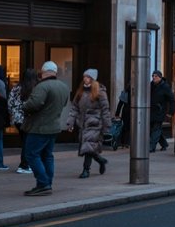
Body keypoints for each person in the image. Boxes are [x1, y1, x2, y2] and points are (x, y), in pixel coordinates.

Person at [21, 61, 71, 196]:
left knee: (31, 154)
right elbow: (64, 103)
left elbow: (33, 104)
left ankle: (43, 183)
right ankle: (47, 182)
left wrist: (24, 105)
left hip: (39, 127)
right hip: (54, 126)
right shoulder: (63, 87)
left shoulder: (42, 86)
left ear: (43, 72)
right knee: (47, 156)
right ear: (55, 72)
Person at [66, 69, 112, 179]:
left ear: (92, 79)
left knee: (87, 147)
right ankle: (101, 160)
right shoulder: (81, 91)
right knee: (89, 147)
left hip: (94, 123)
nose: (85, 79)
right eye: (84, 77)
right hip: (83, 123)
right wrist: (70, 122)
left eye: (87, 77)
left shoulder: (100, 92)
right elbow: (75, 108)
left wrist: (107, 126)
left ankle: (86, 170)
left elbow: (105, 109)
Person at [7, 68, 39, 174]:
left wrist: (13, 113)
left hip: (17, 119)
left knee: (24, 141)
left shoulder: (16, 88)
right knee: (27, 142)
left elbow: (10, 103)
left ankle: (25, 164)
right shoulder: (34, 88)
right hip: (28, 119)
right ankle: (24, 164)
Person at [149, 70, 175, 152]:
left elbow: (172, 100)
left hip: (160, 111)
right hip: (151, 110)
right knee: (153, 129)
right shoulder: (151, 85)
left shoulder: (165, 87)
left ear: (160, 77)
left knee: (156, 129)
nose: (154, 77)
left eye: (156, 76)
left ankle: (151, 147)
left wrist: (171, 112)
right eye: (153, 76)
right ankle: (164, 144)